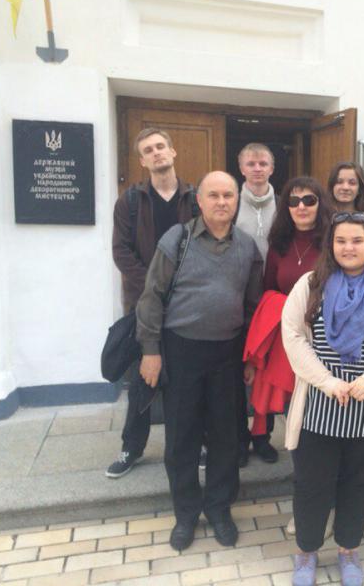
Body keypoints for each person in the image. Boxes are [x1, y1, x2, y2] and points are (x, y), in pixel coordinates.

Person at [281, 212, 364, 586]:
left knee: (358, 484)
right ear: (331, 244)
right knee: (312, 484)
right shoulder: (311, 284)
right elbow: (293, 335)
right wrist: (326, 381)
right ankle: (306, 552)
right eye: (341, 240)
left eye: (357, 240)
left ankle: (348, 550)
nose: (348, 247)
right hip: (320, 407)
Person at [136, 171, 263, 551]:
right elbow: (151, 297)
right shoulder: (177, 240)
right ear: (200, 201)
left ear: (237, 200)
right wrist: (150, 350)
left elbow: (252, 306)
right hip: (181, 351)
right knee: (181, 439)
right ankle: (187, 514)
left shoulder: (247, 247)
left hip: (228, 353)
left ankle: (220, 509)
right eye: (214, 195)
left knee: (226, 437)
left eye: (228, 195)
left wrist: (250, 357)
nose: (222, 202)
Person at [107, 127, 198, 479]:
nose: (157, 152)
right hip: (145, 304)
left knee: (189, 379)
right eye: (149, 150)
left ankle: (196, 443)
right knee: (143, 379)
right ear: (143, 161)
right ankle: (132, 447)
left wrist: (184, 286)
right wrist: (153, 287)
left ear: (173, 152)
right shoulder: (129, 202)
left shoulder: (194, 198)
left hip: (188, 302)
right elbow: (121, 252)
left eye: (161, 146)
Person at [245, 177, 332, 463]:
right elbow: (268, 289)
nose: (301, 206)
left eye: (309, 200)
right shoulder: (279, 244)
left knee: (313, 397)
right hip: (286, 333)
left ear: (320, 204)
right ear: (287, 207)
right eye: (294, 201)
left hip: (322, 333)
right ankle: (268, 439)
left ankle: (312, 457)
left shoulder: (332, 242)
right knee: (290, 397)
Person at [234, 142, 278, 465]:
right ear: (242, 168)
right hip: (236, 298)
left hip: (271, 299)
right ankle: (237, 438)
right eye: (251, 163)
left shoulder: (287, 204)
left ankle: (262, 436)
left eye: (263, 163)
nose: (257, 168)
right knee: (236, 371)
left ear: (272, 168)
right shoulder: (230, 202)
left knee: (266, 371)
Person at [327, 161, 364, 243]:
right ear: (332, 187)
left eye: (352, 183)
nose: (345, 187)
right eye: (339, 182)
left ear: (360, 189)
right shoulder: (323, 219)